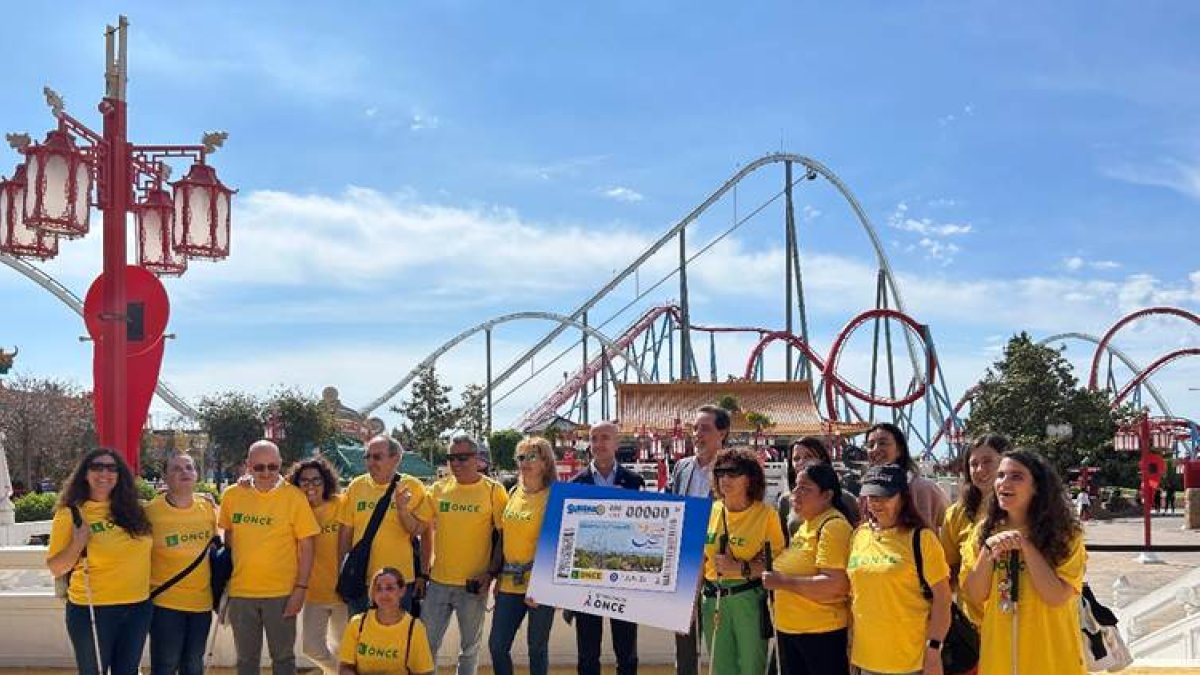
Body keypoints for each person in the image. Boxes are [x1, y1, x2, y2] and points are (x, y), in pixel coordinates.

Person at [963, 449, 1087, 675]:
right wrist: (988, 550)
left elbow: (1056, 596)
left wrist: (1026, 547)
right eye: (1000, 476)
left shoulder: (1065, 535)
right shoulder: (983, 532)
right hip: (999, 656)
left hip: (1050, 656)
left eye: (1016, 476)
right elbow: (974, 594)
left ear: (1036, 487)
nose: (1004, 483)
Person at [46, 448, 154, 675]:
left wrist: (203, 499)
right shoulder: (71, 514)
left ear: (120, 474)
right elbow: (56, 568)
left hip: (137, 608)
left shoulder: (136, 511)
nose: (104, 473)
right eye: (97, 467)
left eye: (111, 468)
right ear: (85, 474)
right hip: (92, 610)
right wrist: (78, 542)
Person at [219, 440, 320, 675]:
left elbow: (307, 545)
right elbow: (229, 537)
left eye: (272, 467)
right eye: (259, 467)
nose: (266, 473)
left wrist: (300, 589)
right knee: (246, 661)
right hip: (241, 593)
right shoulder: (232, 495)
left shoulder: (294, 497)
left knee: (284, 659)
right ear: (248, 466)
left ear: (280, 465)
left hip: (282, 594)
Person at [848, 463, 951, 675]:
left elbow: (942, 599)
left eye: (885, 496)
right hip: (866, 659)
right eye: (871, 496)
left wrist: (933, 651)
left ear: (903, 498)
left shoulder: (921, 539)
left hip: (911, 662)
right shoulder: (859, 535)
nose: (876, 503)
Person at [423, 434, 508, 675]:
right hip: (438, 581)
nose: (456, 463)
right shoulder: (437, 489)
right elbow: (420, 529)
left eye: (462, 457)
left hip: (473, 584)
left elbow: (504, 536)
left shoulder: (494, 490)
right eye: (451, 458)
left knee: (469, 649)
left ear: (477, 458)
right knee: (427, 645)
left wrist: (492, 574)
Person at [761, 462, 853, 675]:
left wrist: (781, 582)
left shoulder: (832, 527)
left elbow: (835, 585)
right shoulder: (805, 526)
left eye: (805, 489)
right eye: (795, 487)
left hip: (819, 635)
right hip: (791, 631)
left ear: (827, 495)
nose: (796, 494)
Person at [701, 448, 786, 675]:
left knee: (751, 667)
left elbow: (776, 561)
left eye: (733, 473)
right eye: (720, 472)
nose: (725, 479)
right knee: (720, 668)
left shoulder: (767, 515)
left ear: (750, 478)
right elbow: (700, 558)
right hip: (712, 599)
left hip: (747, 598)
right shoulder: (710, 510)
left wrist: (740, 568)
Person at [570, 421, 645, 675]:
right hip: (587, 575)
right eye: (594, 438)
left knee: (626, 650)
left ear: (616, 443)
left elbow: (645, 526)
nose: (599, 444)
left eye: (605, 438)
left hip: (623, 575)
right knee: (588, 651)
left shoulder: (634, 482)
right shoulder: (575, 484)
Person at [338, 436, 432, 615]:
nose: (371, 462)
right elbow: (345, 535)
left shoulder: (413, 486)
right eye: (368, 457)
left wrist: (403, 510)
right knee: (361, 635)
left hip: (398, 582)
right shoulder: (356, 487)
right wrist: (343, 572)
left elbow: (420, 531)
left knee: (397, 637)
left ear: (395, 459)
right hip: (360, 580)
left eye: (377, 457)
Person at [488, 436, 556, 675]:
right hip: (509, 583)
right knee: (497, 646)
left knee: (536, 649)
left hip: (540, 584)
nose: (525, 462)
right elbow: (505, 538)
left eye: (532, 456)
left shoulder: (554, 497)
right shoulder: (514, 492)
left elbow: (557, 545)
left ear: (545, 462)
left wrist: (540, 584)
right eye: (521, 457)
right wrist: (497, 576)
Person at [147, 453, 218, 675]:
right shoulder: (150, 512)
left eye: (189, 467)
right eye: (176, 469)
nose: (184, 472)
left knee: (194, 664)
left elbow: (219, 546)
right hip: (165, 604)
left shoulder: (208, 508)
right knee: (165, 664)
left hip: (201, 603)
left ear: (196, 474)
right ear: (165, 477)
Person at [668, 405, 725, 675]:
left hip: (718, 564)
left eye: (704, 428)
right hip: (684, 562)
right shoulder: (681, 467)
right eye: (694, 428)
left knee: (719, 641)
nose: (697, 434)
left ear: (722, 432)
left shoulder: (732, 468)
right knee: (684, 639)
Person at [939, 433, 1008, 626]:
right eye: (973, 464)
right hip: (972, 622)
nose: (980, 469)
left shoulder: (1019, 508)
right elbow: (947, 567)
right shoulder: (957, 513)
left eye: (987, 461)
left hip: (1012, 619)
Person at [289, 457, 346, 675]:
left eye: (316, 480)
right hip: (313, 594)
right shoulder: (295, 509)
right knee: (311, 648)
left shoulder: (341, 503)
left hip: (343, 593)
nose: (311, 486)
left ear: (326, 481)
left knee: (343, 649)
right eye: (304, 481)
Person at [338, 567, 434, 675]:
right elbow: (345, 666)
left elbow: (424, 672)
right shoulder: (357, 624)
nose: (384, 594)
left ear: (402, 591)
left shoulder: (415, 627)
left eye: (390, 588)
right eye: (378, 589)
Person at [865, 422, 949, 531]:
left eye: (883, 443)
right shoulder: (867, 494)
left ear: (899, 450)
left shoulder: (924, 489)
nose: (876, 449)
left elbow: (948, 529)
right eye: (870, 445)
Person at [777, 436, 861, 539]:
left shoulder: (846, 499)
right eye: (796, 459)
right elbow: (784, 541)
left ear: (823, 460)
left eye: (809, 456)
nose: (802, 462)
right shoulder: (785, 501)